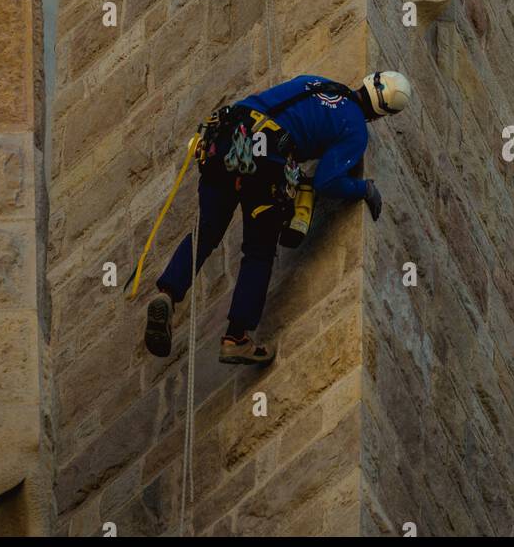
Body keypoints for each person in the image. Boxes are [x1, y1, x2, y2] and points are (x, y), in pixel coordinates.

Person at [144, 70, 411, 367]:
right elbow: (327, 181)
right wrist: (363, 188)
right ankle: (236, 338)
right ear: (381, 113)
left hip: (224, 140)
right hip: (265, 162)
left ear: (366, 81)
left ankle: (167, 293)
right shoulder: (355, 128)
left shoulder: (314, 81)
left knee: (206, 232)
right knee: (258, 252)